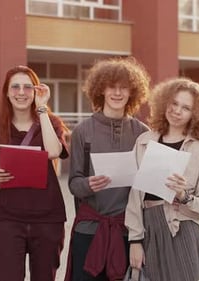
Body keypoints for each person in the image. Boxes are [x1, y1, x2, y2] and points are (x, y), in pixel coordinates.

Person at [125, 77, 199, 281]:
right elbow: (134, 197)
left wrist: (183, 195)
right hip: (149, 228)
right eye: (174, 103)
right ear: (164, 103)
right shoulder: (144, 141)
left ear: (195, 115)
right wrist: (135, 239)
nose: (177, 111)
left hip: (182, 229)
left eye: (186, 108)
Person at [0, 65, 69, 281]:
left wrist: (42, 110)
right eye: (15, 87)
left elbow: (54, 151)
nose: (21, 92)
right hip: (8, 219)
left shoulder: (51, 123)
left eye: (28, 87)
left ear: (36, 91)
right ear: (7, 92)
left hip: (47, 218)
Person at [65, 57, 151, 281]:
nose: (117, 93)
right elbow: (74, 182)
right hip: (90, 230)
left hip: (128, 232)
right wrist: (88, 184)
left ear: (132, 92)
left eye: (124, 88)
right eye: (112, 86)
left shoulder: (142, 133)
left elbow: (148, 185)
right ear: (101, 89)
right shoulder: (83, 131)